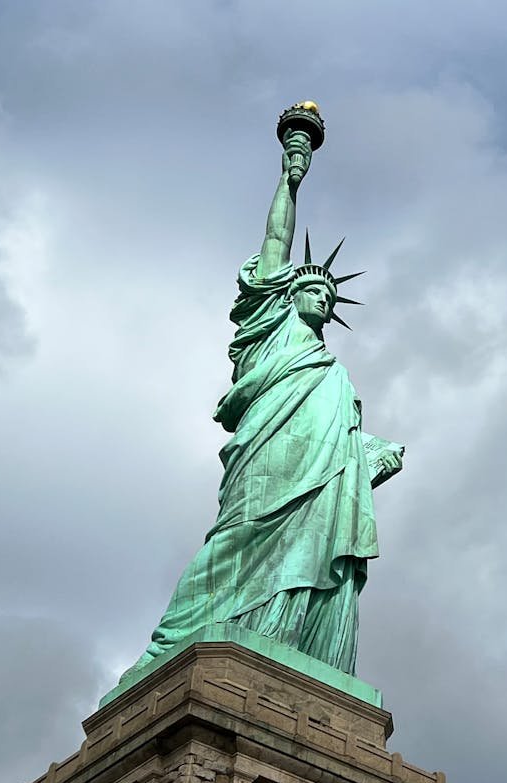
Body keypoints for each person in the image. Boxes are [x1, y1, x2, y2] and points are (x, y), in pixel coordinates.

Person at [124, 118, 401, 680]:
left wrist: (367, 455)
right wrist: (291, 178)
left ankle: (293, 648)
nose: (322, 297)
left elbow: (344, 440)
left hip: (321, 470)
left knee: (317, 547)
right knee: (236, 539)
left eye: (329, 293)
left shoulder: (332, 373)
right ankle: (175, 644)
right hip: (265, 457)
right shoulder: (267, 331)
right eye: (312, 288)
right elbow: (275, 244)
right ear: (287, 295)